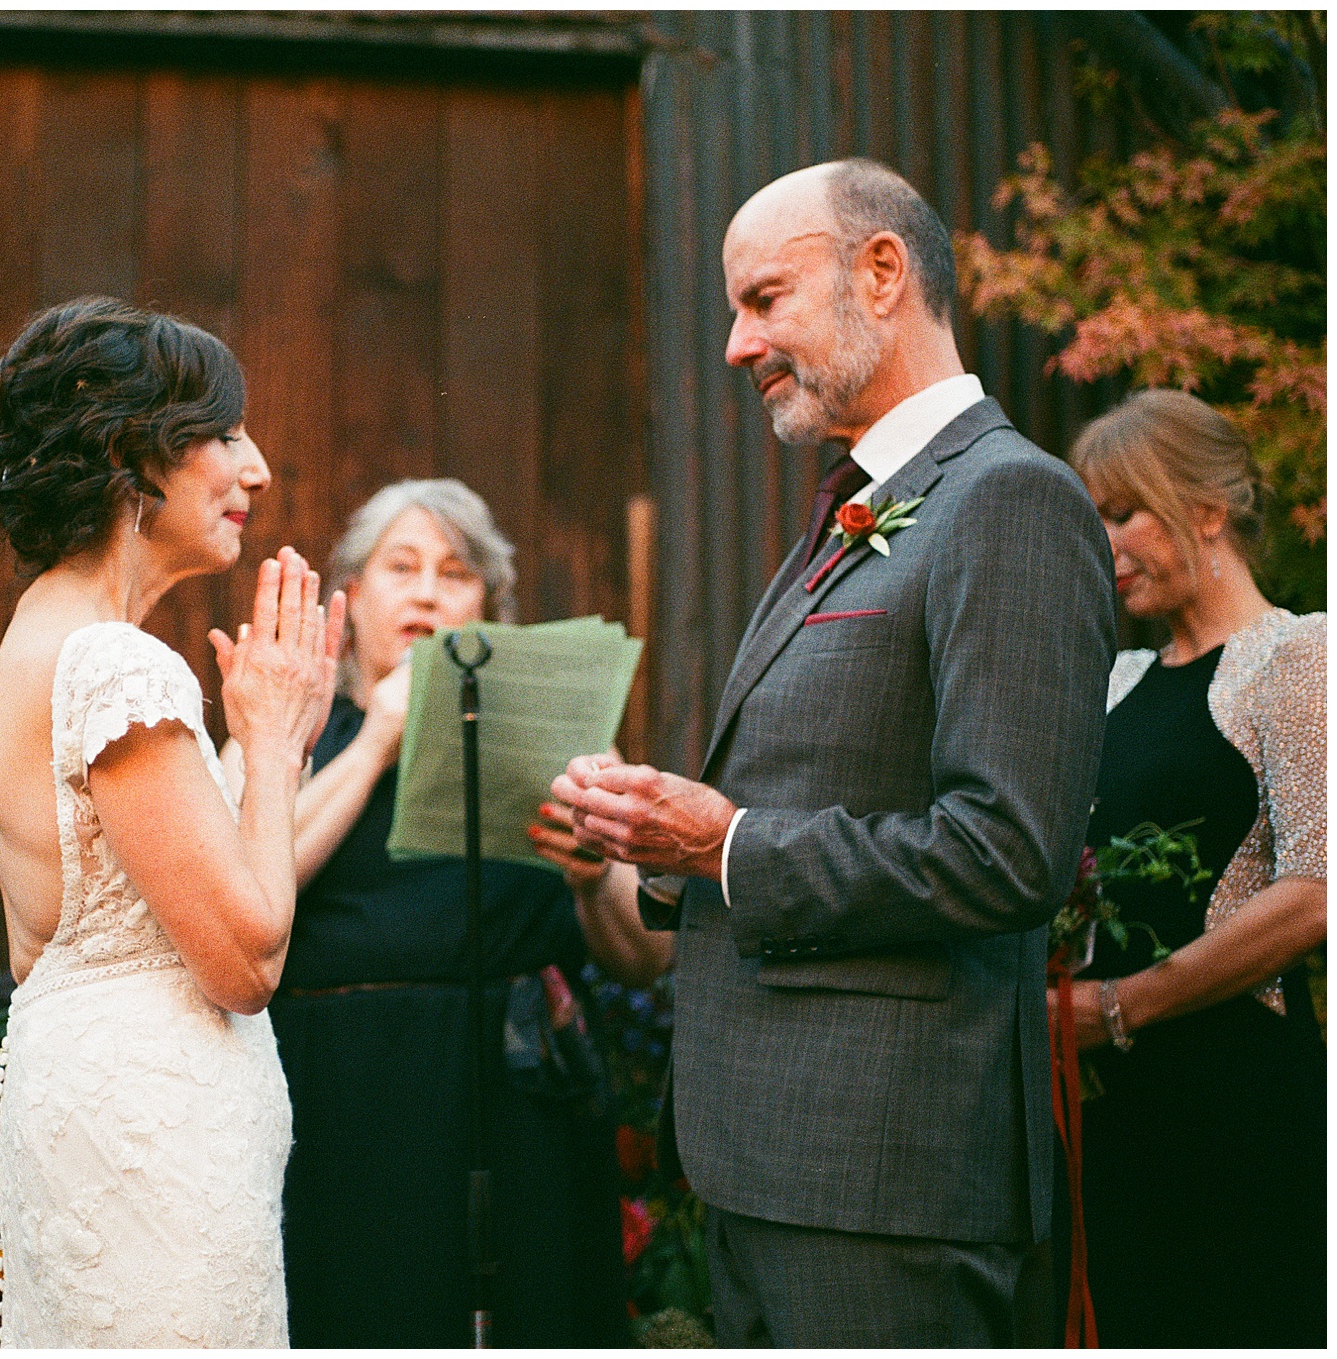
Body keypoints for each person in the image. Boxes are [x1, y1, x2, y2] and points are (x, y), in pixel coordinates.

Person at [552, 159, 1116, 1346]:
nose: (734, 346)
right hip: (776, 1169)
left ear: (880, 273)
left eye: (762, 300)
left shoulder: (1009, 499)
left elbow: (1008, 853)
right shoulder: (858, 504)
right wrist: (653, 836)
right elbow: (817, 788)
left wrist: (727, 841)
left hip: (888, 1183)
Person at [219, 479, 670, 1347]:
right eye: (403, 566)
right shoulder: (289, 730)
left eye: (456, 572)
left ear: (488, 604)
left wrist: (589, 875)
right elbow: (241, 884)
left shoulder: (559, 729)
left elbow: (643, 956)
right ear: (352, 598)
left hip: (516, 1098)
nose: (428, 591)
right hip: (343, 1100)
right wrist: (383, 733)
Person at [0, 296, 340, 1347]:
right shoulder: (114, 661)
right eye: (224, 434)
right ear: (134, 453)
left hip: (96, 1098)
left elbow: (144, 867)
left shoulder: (44, 639)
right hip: (152, 1135)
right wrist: (268, 746)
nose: (256, 468)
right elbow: (246, 957)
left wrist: (269, 739)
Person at [1055, 389, 1325, 1346]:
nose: (1106, 542)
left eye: (1123, 512)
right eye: (1094, 517)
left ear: (1206, 509)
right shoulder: (1117, 682)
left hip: (1237, 1106)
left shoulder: (1299, 658)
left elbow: (1317, 891)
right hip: (1108, 1113)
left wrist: (1126, 1004)